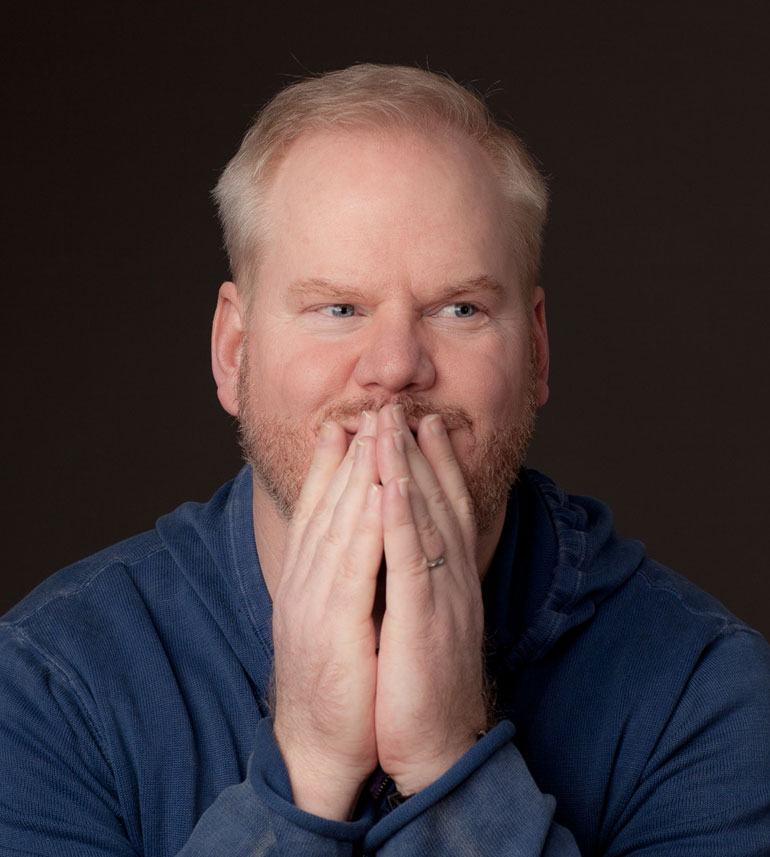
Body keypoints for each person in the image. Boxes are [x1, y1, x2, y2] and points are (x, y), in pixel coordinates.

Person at [1, 63, 768, 857]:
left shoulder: (705, 695)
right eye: (339, 308)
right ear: (234, 352)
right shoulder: (51, 688)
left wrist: (450, 761)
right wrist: (308, 765)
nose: (396, 364)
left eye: (459, 308)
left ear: (536, 350)